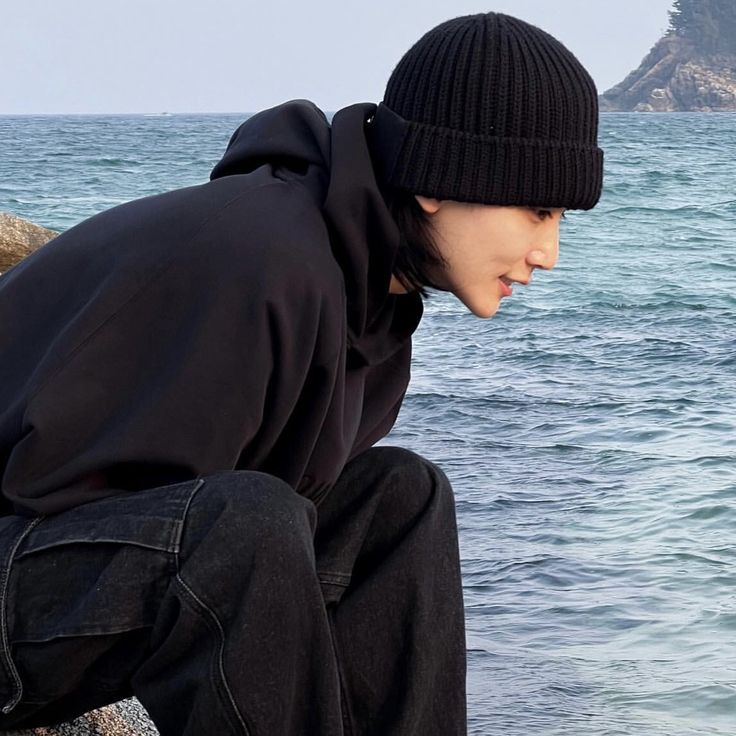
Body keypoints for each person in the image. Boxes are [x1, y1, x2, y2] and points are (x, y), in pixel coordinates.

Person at [0, 12, 603, 736]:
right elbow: (59, 486)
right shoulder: (260, 257)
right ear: (440, 178)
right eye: (537, 211)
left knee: (401, 496)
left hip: (76, 583)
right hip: (20, 577)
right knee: (246, 524)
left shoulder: (370, 296)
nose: (549, 253)